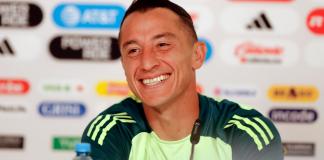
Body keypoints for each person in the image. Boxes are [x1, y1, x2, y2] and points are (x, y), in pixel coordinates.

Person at [81, 0, 284, 159]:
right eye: (133, 50)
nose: (146, 63)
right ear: (124, 65)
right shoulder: (109, 131)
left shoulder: (247, 131)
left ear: (197, 55)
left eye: (162, 45)